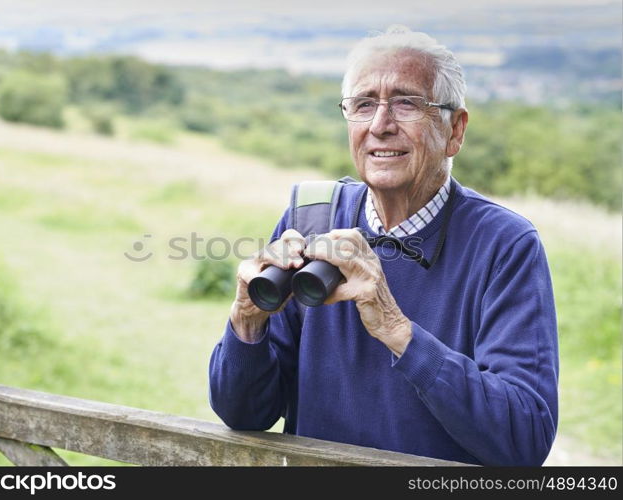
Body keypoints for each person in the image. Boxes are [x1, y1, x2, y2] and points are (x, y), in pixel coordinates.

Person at [208, 26, 558, 466]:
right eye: (363, 104)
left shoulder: (505, 245)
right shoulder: (310, 217)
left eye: (407, 103)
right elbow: (243, 415)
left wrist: (397, 330)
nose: (380, 125)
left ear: (455, 130)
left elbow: (524, 440)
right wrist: (247, 322)